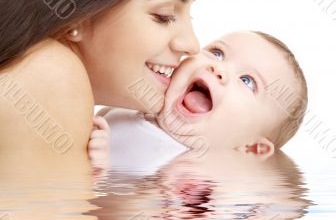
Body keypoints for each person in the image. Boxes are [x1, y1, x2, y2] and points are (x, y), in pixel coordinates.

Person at [0, 0, 200, 174]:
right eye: (164, 15)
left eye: (190, 15)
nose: (192, 44)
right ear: (77, 14)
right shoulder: (51, 75)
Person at [91, 30, 308, 172]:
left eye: (247, 81)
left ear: (252, 147)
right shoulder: (125, 107)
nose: (218, 68)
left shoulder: (189, 168)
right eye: (218, 53)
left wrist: (99, 163)